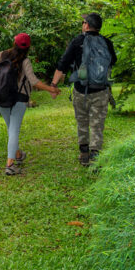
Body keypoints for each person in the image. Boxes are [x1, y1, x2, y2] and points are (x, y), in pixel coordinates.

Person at [0, 33, 60, 176]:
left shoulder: (1, 55)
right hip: (19, 99)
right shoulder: (25, 61)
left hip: (1, 96)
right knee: (14, 130)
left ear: (14, 42)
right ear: (28, 47)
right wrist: (51, 89)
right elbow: (33, 81)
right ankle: (10, 165)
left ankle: (18, 154)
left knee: (11, 129)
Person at [52, 13, 117, 167]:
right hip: (101, 91)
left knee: (82, 121)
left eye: (83, 22)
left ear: (87, 25)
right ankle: (95, 155)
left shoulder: (77, 41)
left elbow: (63, 63)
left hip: (81, 91)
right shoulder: (107, 42)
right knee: (97, 123)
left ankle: (84, 154)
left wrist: (54, 85)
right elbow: (113, 60)